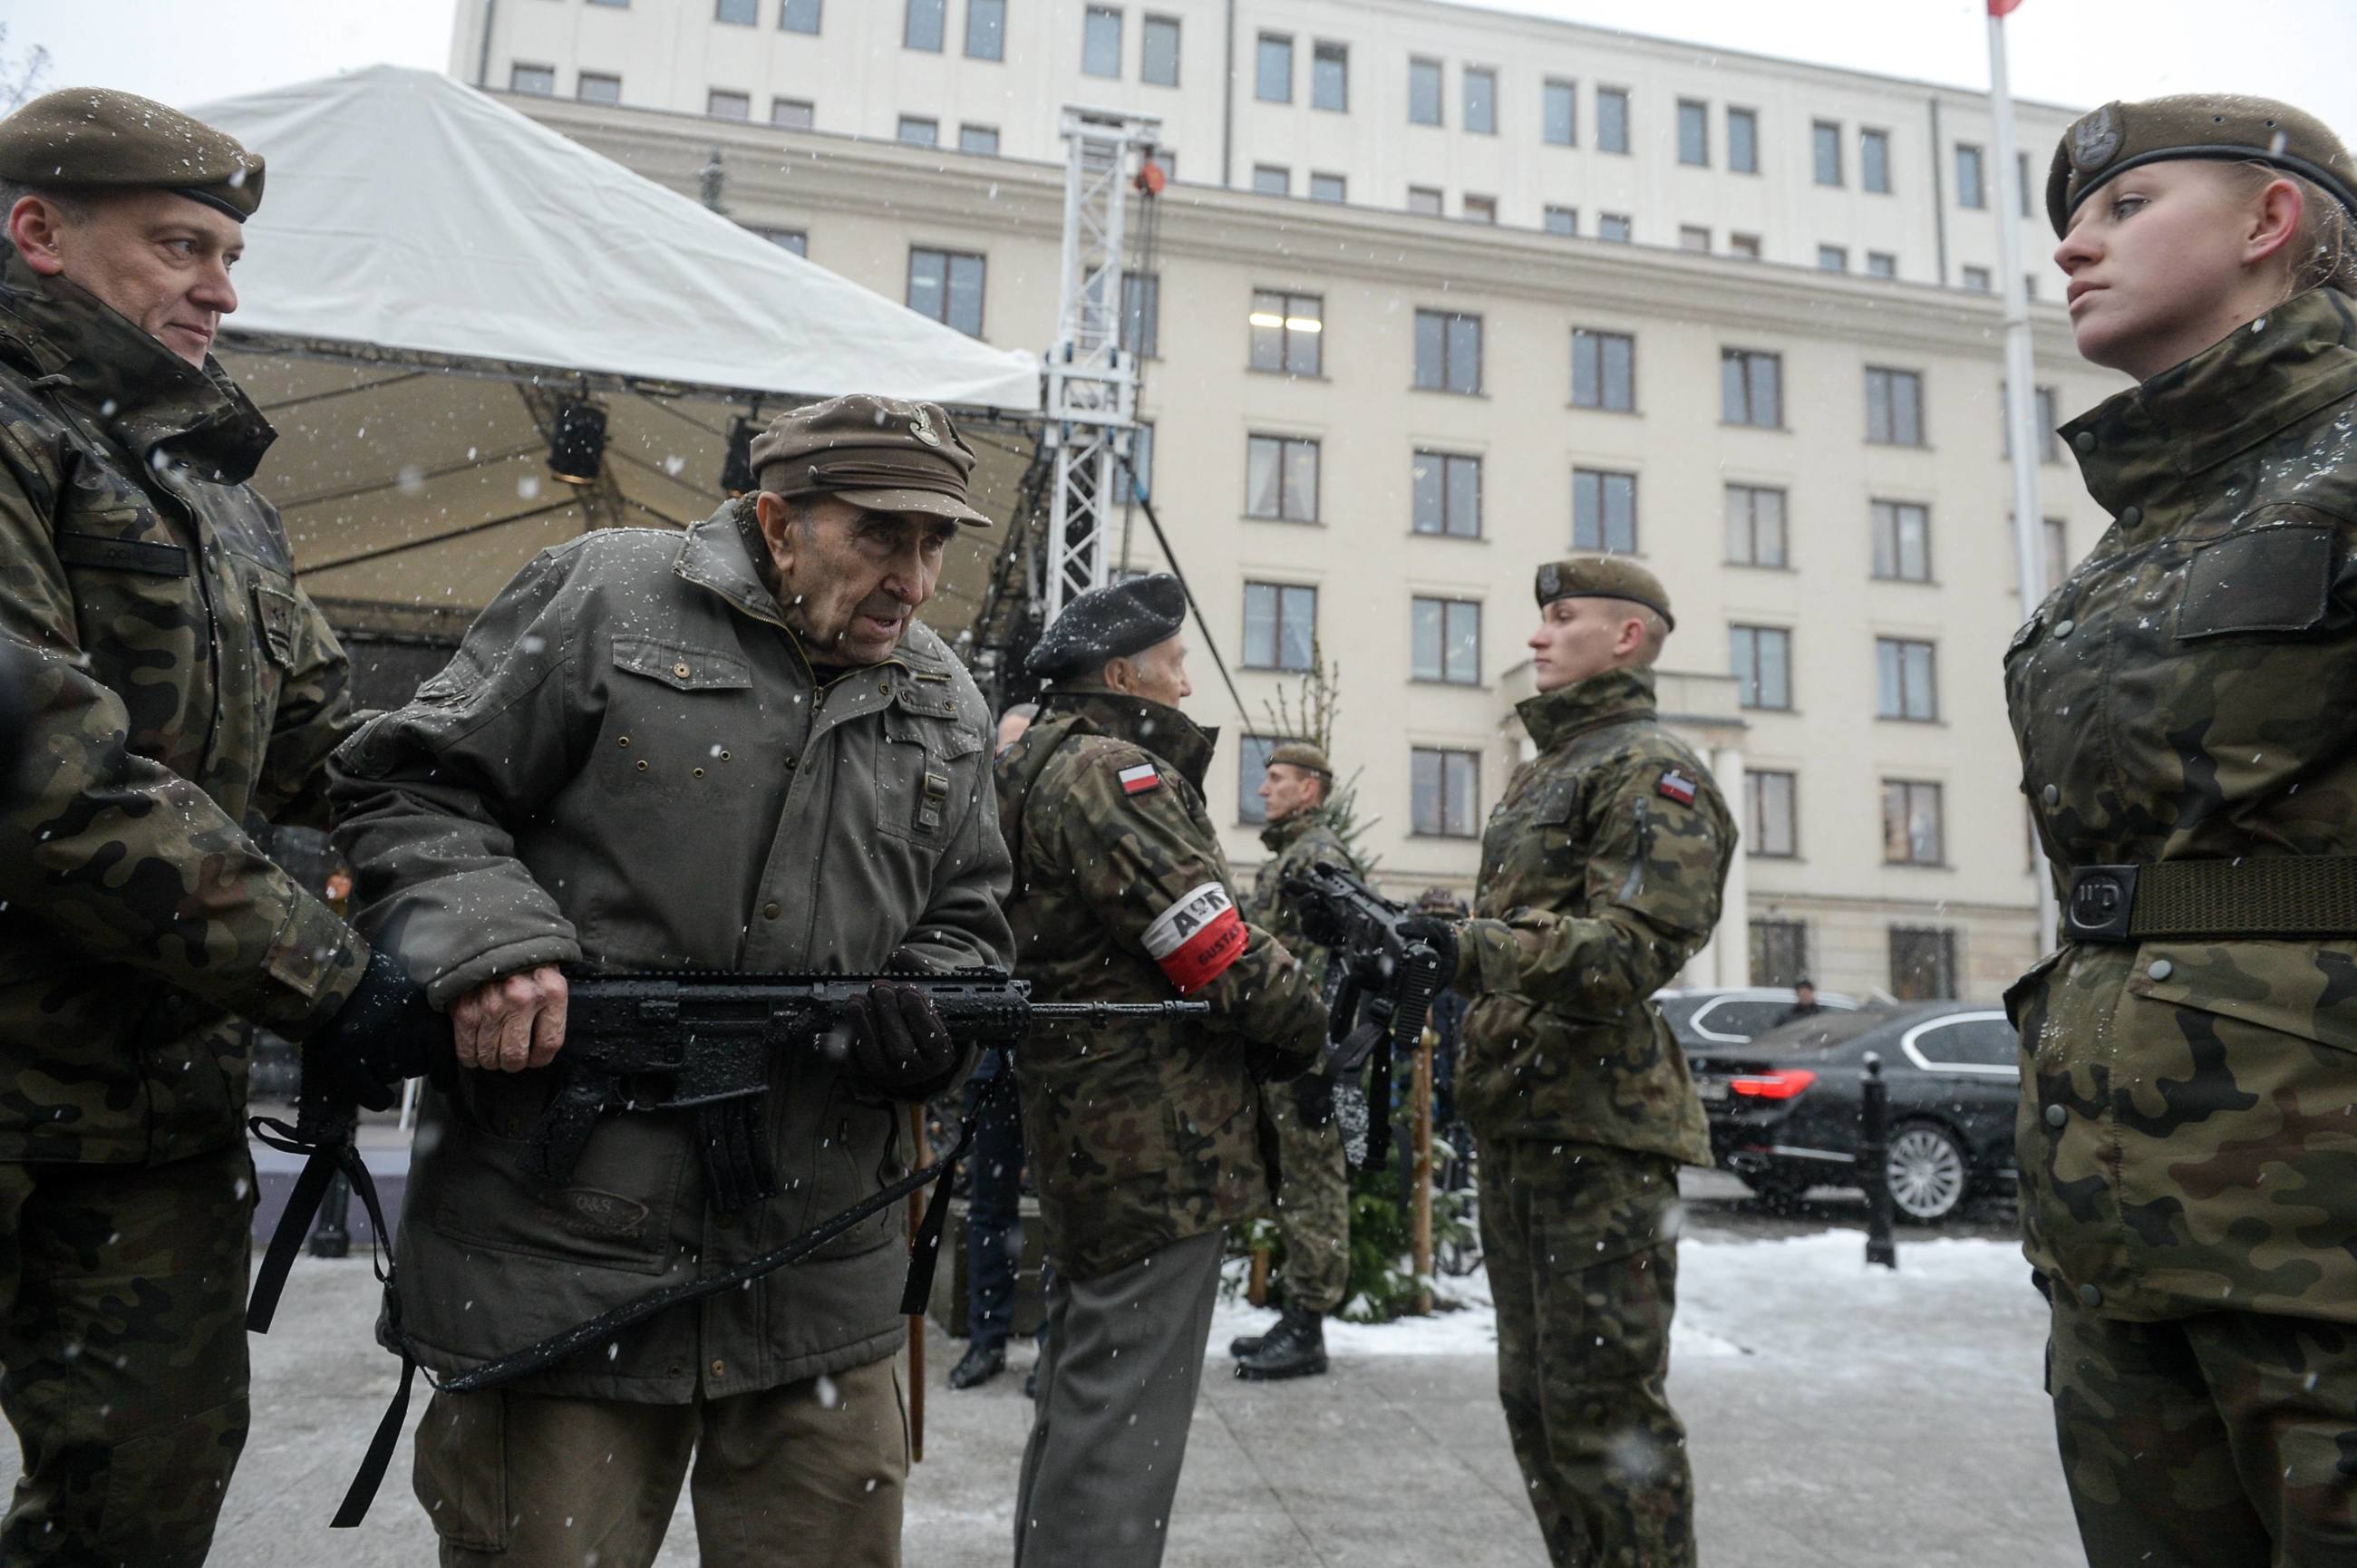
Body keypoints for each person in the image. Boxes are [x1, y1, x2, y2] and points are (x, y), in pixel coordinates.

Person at [328, 394, 1015, 1568]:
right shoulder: (606, 596)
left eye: (936, 542)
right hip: (565, 1255)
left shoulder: (940, 696)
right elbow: (408, 785)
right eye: (880, 535)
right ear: (776, 520)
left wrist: (927, 1006)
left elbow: (968, 916)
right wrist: (494, 941)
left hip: (819, 1266)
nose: (915, 576)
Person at [0, 90, 448, 1566]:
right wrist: (333, 978)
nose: (222, 288)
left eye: (230, 252)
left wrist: (487, 893)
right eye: (182, 243)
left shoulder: (211, 493)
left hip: (144, 1110)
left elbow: (340, 746)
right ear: (38, 233)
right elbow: (42, 769)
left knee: (140, 1504)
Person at [2008, 95, 2357, 1566]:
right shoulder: (2143, 526)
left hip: (2322, 1242)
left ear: (2271, 223)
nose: (2075, 249)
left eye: (2127, 207)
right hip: (2122, 1234)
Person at [1405, 558, 1736, 1568]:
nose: (1537, 638)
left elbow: (1630, 944)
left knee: (1601, 1413)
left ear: (1626, 636)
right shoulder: (1549, 768)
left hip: (1598, 1130)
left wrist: (1467, 948)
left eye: (1560, 619)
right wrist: (1421, 931)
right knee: (1538, 1400)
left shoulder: (1648, 767)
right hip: (1524, 1116)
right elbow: (1523, 929)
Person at [995, 575, 1324, 1568]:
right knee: (1119, 1428)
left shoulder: (1038, 760)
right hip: (1152, 1140)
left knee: (1083, 1398)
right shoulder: (1111, 771)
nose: (1186, 684)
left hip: (1095, 1124)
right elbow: (1212, 946)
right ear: (1122, 672)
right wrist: (1313, 1015)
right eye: (1174, 662)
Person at [1227, 740, 1362, 1380]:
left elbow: (1348, 967)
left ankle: (1308, 1325)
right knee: (1295, 1186)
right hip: (1288, 1051)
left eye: (1276, 779)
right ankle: (1297, 1313)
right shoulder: (1294, 859)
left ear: (1309, 789)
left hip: (1308, 1056)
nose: (1263, 789)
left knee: (1313, 1188)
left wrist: (1326, 1065)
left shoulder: (1318, 860)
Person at [949, 701, 1043, 1395]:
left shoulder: (1064, 826)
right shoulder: (974, 828)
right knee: (988, 1203)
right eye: (1002, 752)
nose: (1009, 765)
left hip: (1056, 1044)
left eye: (1021, 751)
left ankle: (1052, 1346)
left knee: (1062, 1203)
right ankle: (985, 1339)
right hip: (993, 1045)